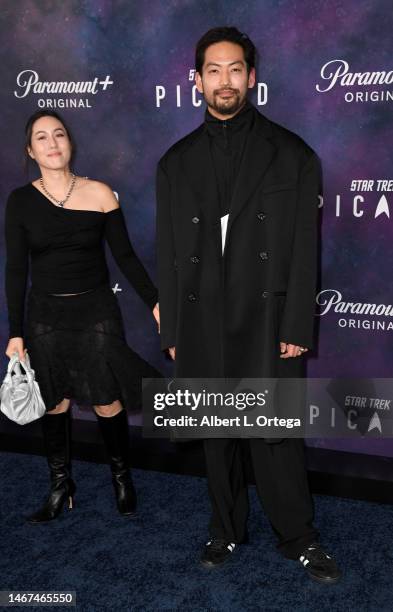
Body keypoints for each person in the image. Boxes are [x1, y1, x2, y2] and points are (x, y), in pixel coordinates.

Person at [156, 27, 341, 584]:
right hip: (203, 316)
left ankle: (299, 536)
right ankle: (225, 527)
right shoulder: (176, 162)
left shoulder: (293, 154)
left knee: (276, 433)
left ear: (253, 77)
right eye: (213, 70)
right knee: (217, 432)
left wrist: (296, 324)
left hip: (267, 315)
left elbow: (304, 250)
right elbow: (167, 249)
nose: (224, 81)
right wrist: (173, 323)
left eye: (235, 69)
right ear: (197, 82)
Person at [4, 110, 160, 523]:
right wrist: (15, 332)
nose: (52, 143)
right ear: (30, 150)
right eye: (42, 137)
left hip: (95, 311)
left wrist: (156, 302)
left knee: (107, 398)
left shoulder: (101, 193)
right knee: (54, 402)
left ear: (70, 143)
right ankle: (60, 485)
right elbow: (16, 269)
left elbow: (125, 257)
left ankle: (121, 477)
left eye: (59, 134)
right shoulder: (20, 201)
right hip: (45, 315)